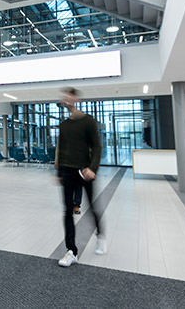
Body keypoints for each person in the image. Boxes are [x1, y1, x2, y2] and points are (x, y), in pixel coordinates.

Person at [55, 87, 106, 267]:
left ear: (76, 99)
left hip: (84, 172)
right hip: (68, 172)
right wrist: (59, 172)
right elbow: (61, 150)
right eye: (64, 97)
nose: (66, 100)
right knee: (68, 210)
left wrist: (93, 168)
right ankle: (71, 251)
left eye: (69, 96)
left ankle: (101, 235)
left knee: (92, 206)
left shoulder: (88, 121)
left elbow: (97, 147)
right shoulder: (64, 124)